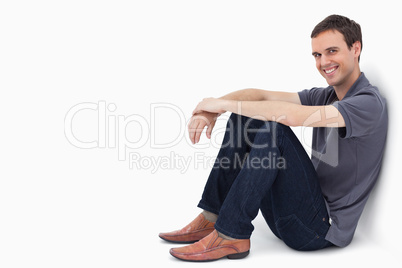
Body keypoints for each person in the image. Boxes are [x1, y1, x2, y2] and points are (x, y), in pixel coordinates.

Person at [159, 14, 388, 262]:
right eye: (317, 55)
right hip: (292, 213)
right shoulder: (326, 96)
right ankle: (213, 218)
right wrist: (210, 110)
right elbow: (260, 97)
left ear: (356, 48)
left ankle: (231, 234)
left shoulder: (368, 103)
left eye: (332, 51)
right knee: (244, 117)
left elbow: (289, 116)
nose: (323, 62)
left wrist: (218, 104)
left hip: (319, 230)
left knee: (275, 130)